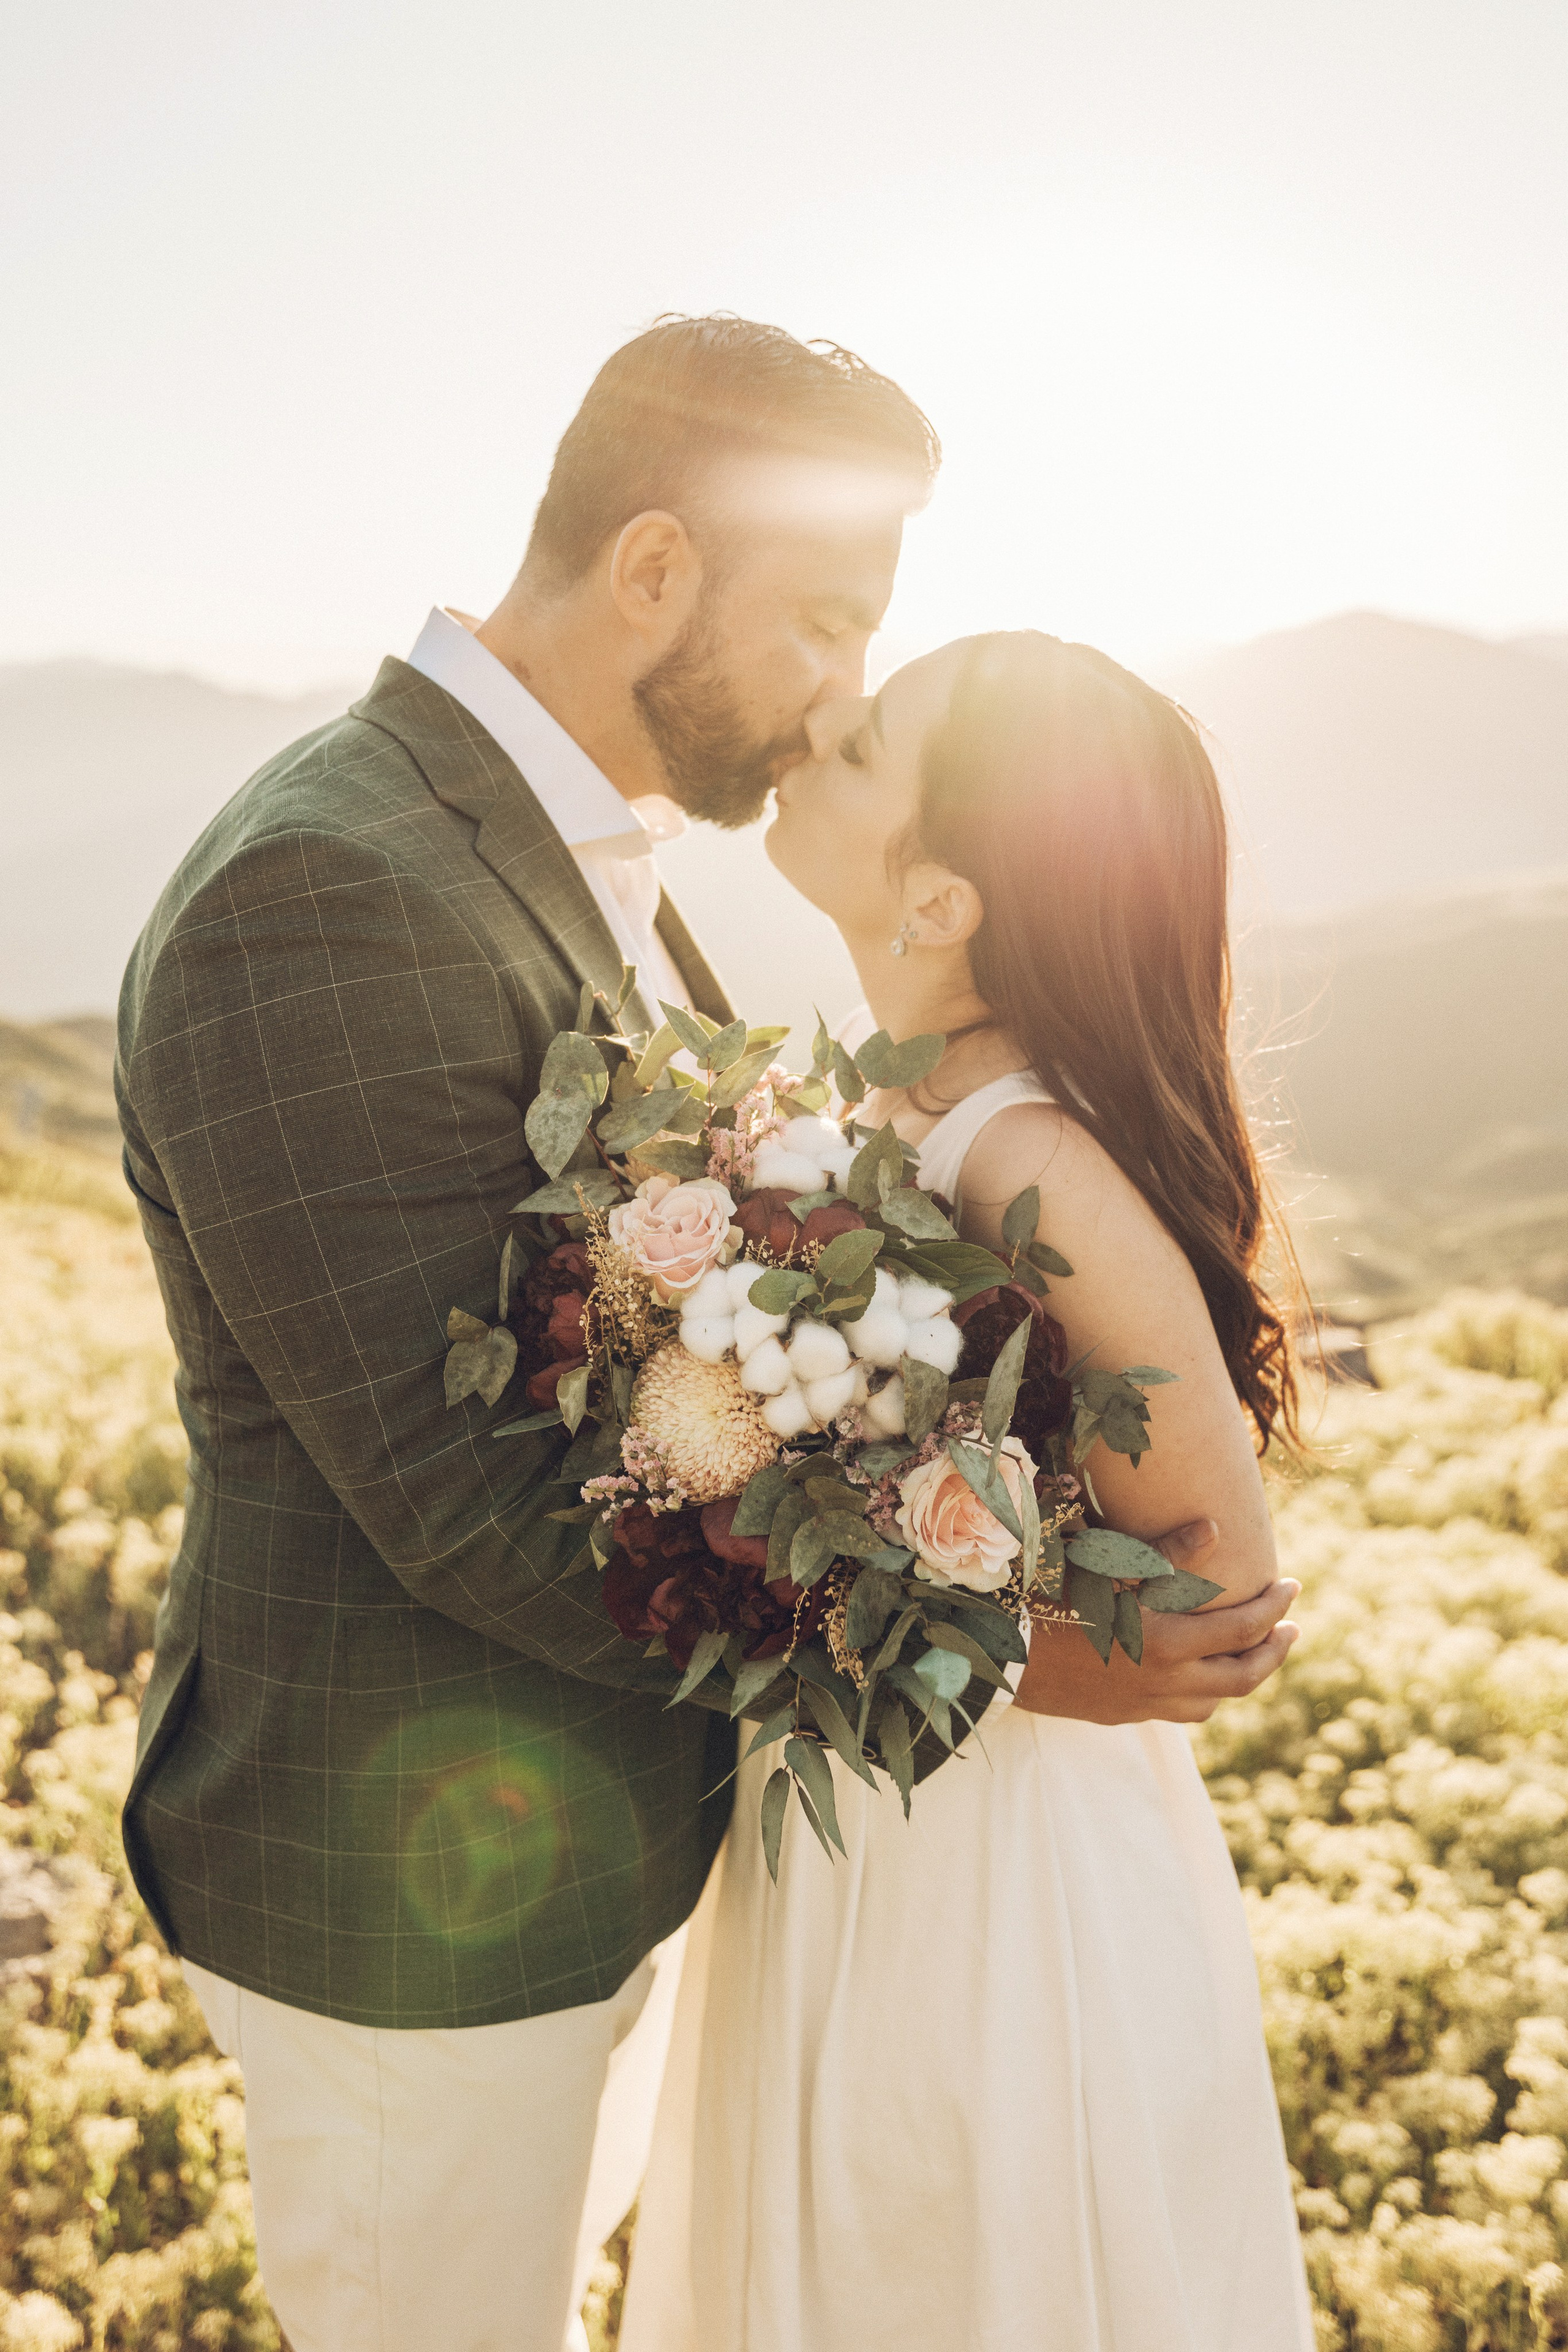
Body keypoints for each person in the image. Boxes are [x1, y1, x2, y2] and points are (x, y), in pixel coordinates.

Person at [116, 311, 1296, 2352]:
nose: (845, 686)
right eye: (826, 622)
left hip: (616, 1844)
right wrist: (975, 1648)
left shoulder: (579, 856)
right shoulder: (332, 880)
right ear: (654, 569)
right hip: (414, 1905)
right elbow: (471, 1499)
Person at [620, 633, 1314, 2351]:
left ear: (941, 900)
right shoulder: (885, 1098)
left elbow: (1219, 1595)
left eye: (864, 748)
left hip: (998, 1877)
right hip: (857, 1817)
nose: (820, 723)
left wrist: (932, 1634)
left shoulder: (1027, 1158)